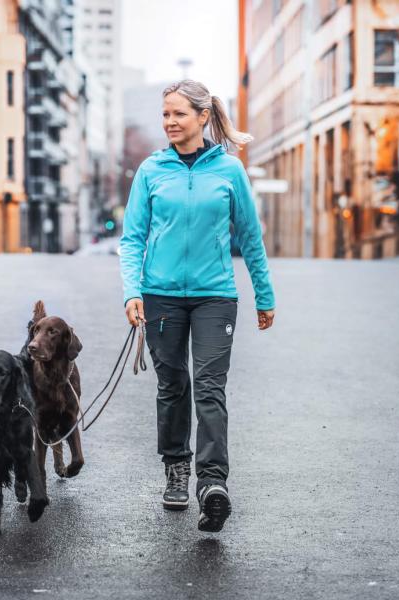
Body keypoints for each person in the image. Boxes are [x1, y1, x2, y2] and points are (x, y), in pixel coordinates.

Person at [119, 79, 276, 533]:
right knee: (172, 385)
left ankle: (212, 483)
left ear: (203, 117)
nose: (169, 122)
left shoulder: (229, 170)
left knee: (209, 387)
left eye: (178, 114)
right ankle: (176, 466)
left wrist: (264, 295)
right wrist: (132, 291)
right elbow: (132, 239)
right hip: (160, 295)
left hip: (214, 296)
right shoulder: (150, 170)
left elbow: (250, 237)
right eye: (165, 114)